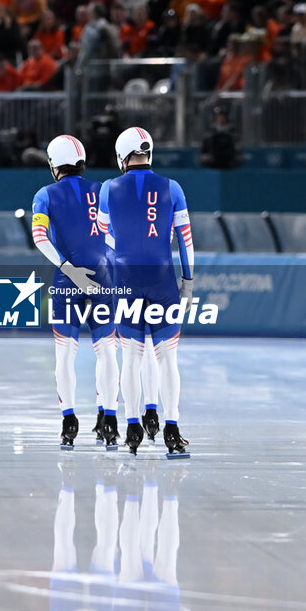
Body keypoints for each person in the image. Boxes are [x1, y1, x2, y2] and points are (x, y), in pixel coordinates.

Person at [97, 126, 194, 456]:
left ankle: (132, 428)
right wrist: (189, 280)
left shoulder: (108, 189)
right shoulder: (173, 187)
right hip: (163, 280)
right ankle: (172, 429)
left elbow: (106, 243)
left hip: (125, 280)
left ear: (122, 156)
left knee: (131, 358)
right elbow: (185, 238)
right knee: (168, 358)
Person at [31, 135, 119, 449]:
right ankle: (109, 418)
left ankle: (68, 420)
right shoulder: (105, 190)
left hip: (67, 282)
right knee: (107, 351)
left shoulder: (44, 195)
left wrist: (69, 269)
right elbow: (118, 237)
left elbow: (40, 239)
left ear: (53, 165)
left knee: (64, 353)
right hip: (103, 280)